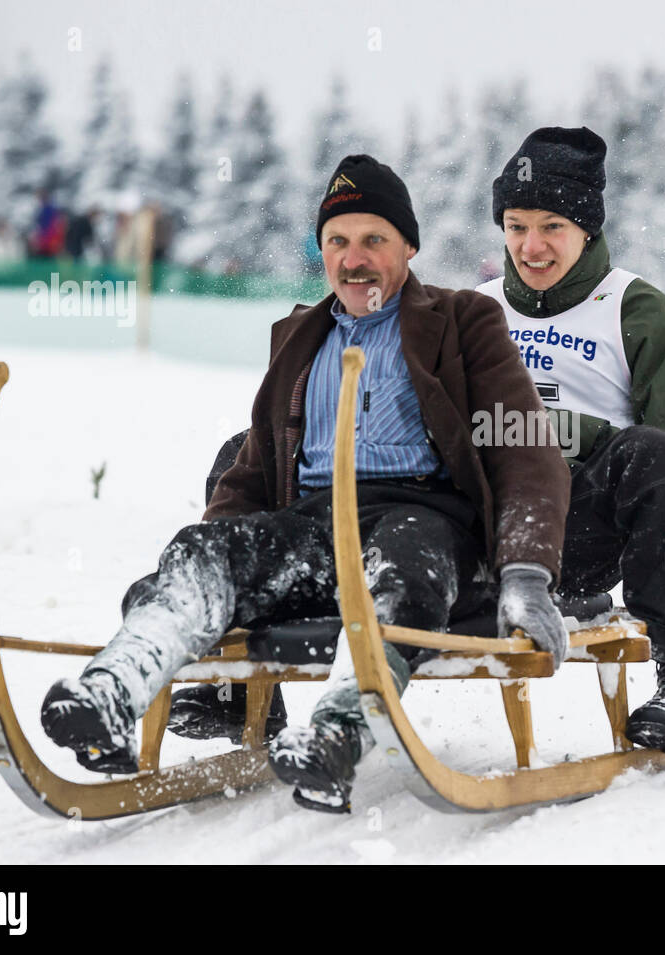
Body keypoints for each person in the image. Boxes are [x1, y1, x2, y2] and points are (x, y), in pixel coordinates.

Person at [40, 155, 571, 812]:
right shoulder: (301, 338)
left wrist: (526, 573)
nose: (354, 259)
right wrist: (220, 558)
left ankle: (336, 731)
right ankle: (110, 694)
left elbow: (526, 449)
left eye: (374, 239)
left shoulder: (462, 322)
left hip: (425, 520)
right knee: (201, 550)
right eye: (337, 242)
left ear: (408, 245)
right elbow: (254, 471)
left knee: (403, 562)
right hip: (315, 525)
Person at [477, 126, 665, 755]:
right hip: (482, 529)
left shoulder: (637, 311)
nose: (530, 247)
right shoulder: (472, 312)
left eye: (551, 227)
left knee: (656, 454)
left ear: (586, 228)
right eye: (515, 226)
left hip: (585, 531)